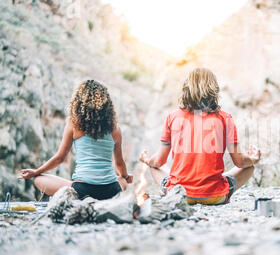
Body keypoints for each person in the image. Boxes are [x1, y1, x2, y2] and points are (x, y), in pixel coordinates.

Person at [139, 68, 260, 205]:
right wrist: (253, 159)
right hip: (214, 196)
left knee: (153, 167)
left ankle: (169, 192)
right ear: (214, 90)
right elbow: (240, 162)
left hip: (180, 195)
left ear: (186, 89)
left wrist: (148, 160)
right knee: (249, 168)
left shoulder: (172, 117)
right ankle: (215, 189)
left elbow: (158, 162)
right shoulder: (225, 118)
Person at [20, 79, 133, 200]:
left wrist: (36, 172)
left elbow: (60, 158)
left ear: (79, 101)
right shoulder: (115, 128)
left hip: (82, 190)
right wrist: (126, 177)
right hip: (111, 191)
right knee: (121, 180)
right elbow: (119, 163)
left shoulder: (74, 124)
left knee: (39, 180)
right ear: (106, 104)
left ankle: (77, 196)